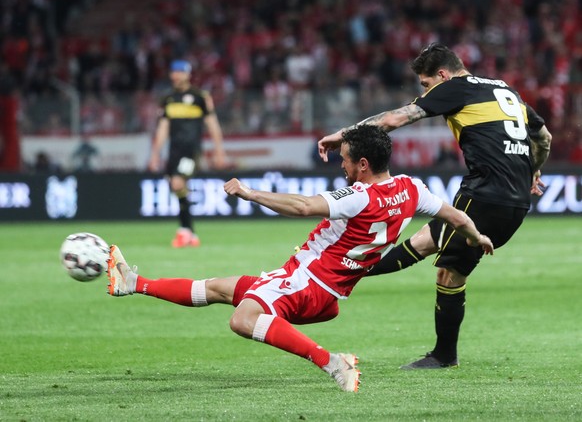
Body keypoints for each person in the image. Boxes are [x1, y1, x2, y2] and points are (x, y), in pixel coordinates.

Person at [107, 125, 494, 392]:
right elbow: (456, 216)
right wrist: (477, 236)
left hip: (309, 282)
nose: (341, 165)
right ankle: (132, 283)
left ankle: (332, 363)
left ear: (362, 165)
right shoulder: (411, 188)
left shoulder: (358, 195)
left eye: (345, 159)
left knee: (242, 319)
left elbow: (303, 204)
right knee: (220, 288)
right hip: (325, 289)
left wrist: (251, 193)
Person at [317, 43, 552, 369]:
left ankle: (444, 356)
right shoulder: (503, 89)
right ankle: (351, 270)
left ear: (442, 74)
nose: (425, 91)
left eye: (426, 84)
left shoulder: (455, 87)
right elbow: (544, 138)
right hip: (515, 200)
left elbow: (394, 119)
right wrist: (533, 171)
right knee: (425, 241)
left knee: (449, 274)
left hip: (484, 194)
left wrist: (342, 135)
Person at [148, 59, 227, 248]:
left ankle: (183, 232)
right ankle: (190, 232)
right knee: (178, 189)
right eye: (173, 72)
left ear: (187, 74)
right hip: (174, 152)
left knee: (178, 183)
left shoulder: (200, 97)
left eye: (180, 72)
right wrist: (155, 154)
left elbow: (213, 125)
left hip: (191, 151)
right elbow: (163, 129)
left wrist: (219, 152)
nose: (176, 75)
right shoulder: (167, 99)